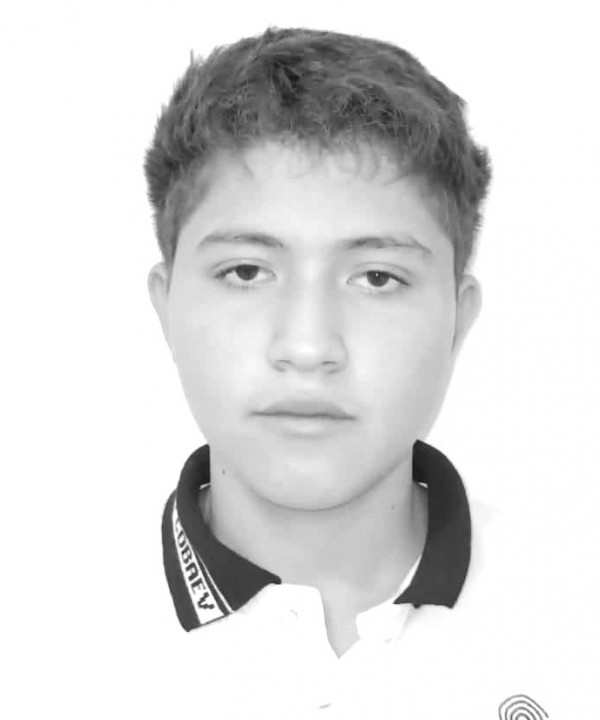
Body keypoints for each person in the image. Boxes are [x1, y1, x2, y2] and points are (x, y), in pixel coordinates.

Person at [144, 25, 562, 719]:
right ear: (166, 309)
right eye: (245, 272)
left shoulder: (573, 616)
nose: (309, 347)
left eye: (376, 277)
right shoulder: (40, 635)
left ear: (457, 322)